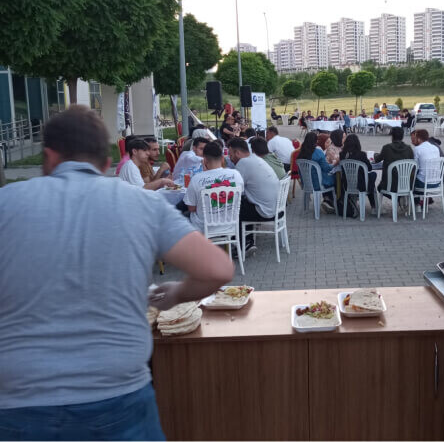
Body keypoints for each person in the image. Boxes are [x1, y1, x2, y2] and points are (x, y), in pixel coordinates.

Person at [0, 106, 234, 440]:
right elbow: (218, 268)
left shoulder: (6, 202)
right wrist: (174, 294)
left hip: (18, 403)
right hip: (119, 396)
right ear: (107, 163)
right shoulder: (141, 204)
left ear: (49, 157)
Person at [227, 138, 280, 251]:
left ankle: (241, 244)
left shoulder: (243, 163)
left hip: (263, 211)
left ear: (237, 153)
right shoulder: (255, 158)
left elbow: (235, 191)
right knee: (243, 203)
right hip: (275, 208)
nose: (230, 159)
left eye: (230, 155)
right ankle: (248, 240)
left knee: (233, 207)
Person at [183, 141, 244, 232]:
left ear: (204, 160)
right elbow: (240, 196)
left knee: (183, 215)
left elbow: (191, 208)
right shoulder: (236, 174)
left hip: (204, 228)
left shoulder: (196, 179)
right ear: (222, 159)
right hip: (229, 225)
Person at [297, 132, 336, 213]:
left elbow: (299, 171)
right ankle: (330, 202)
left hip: (306, 183)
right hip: (318, 183)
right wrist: (334, 164)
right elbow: (326, 168)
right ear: (316, 141)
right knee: (334, 179)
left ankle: (327, 201)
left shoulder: (300, 154)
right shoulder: (318, 152)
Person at [339, 133, 377, 213]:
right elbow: (369, 168)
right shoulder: (362, 154)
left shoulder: (342, 154)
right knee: (372, 176)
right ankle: (373, 206)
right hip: (361, 184)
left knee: (370, 178)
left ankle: (354, 200)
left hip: (347, 184)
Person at [374, 127, 414, 193]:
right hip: (406, 185)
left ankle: (395, 197)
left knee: (379, 187)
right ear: (402, 136)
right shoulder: (408, 149)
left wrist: (375, 155)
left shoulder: (386, 148)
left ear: (392, 136)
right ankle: (400, 196)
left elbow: (377, 160)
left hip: (389, 186)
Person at [411, 129, 440, 193]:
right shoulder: (435, 148)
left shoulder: (417, 149)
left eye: (414, 139)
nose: (412, 142)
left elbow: (415, 167)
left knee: (408, 181)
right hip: (436, 182)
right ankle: (424, 198)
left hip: (423, 183)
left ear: (419, 139)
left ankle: (413, 199)